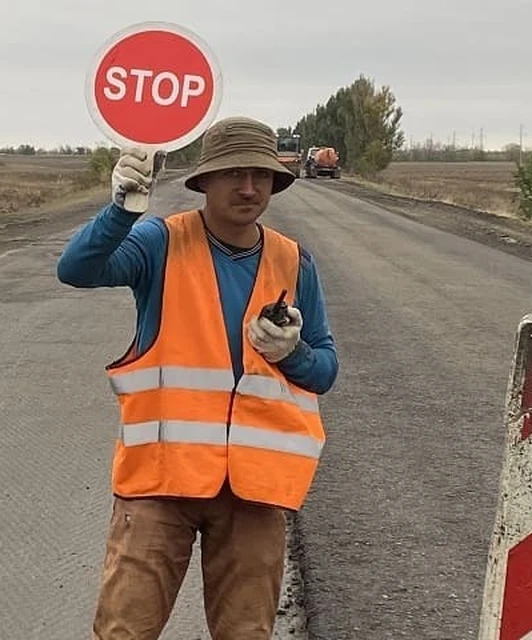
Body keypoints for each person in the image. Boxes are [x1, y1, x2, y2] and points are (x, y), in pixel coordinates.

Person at [55, 116, 339, 639]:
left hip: (254, 492)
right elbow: (77, 269)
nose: (249, 188)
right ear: (204, 180)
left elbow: (325, 370)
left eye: (261, 175)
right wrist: (121, 209)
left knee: (246, 634)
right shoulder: (159, 243)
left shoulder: (295, 262)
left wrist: (293, 353)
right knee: (126, 630)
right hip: (160, 483)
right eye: (234, 174)